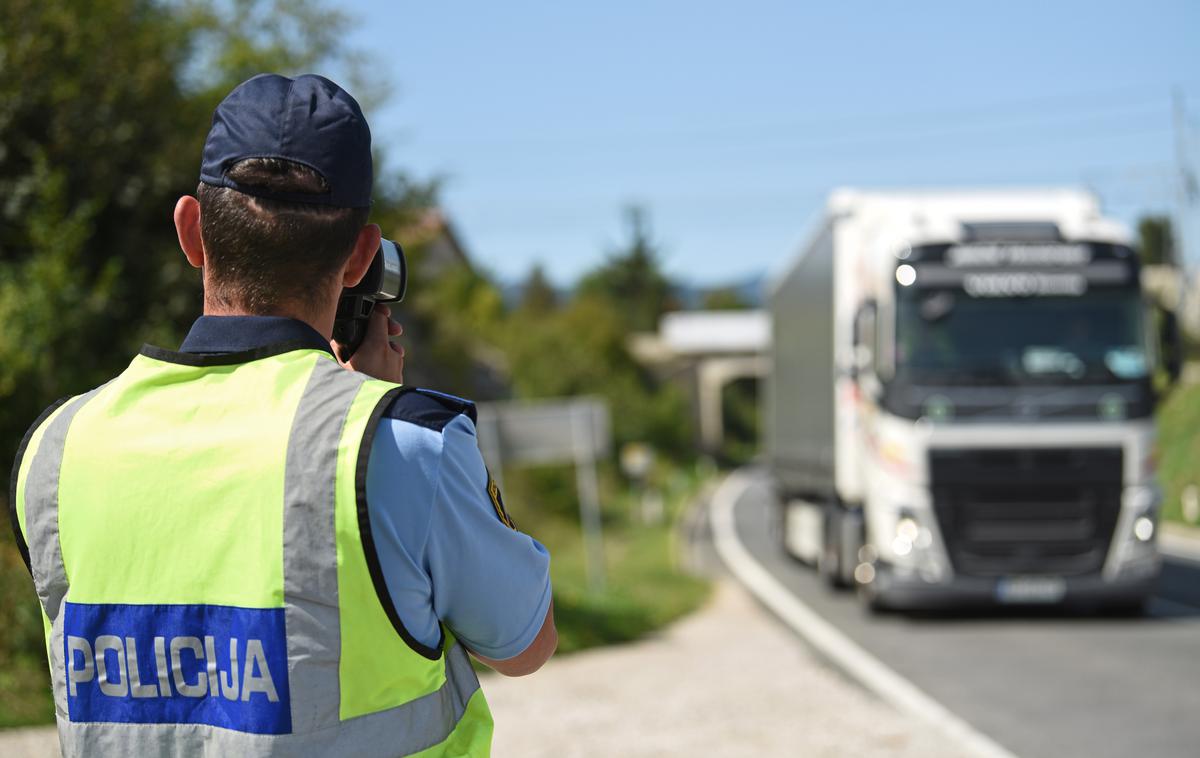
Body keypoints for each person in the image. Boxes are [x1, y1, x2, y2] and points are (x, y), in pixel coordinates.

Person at [10, 73, 555, 757]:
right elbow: (525, 642)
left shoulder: (56, 448)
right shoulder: (404, 446)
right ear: (361, 257)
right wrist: (365, 408)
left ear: (190, 231)